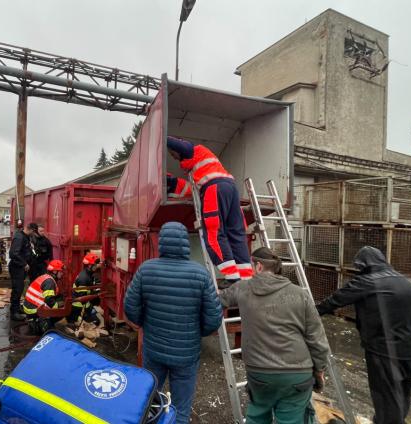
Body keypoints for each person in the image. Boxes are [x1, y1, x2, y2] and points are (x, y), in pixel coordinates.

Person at [124, 222, 223, 424]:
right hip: (186, 354)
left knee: (149, 398)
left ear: (162, 243)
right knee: (181, 408)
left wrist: (146, 324)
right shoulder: (200, 274)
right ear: (185, 243)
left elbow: (130, 307)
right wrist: (196, 333)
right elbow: (214, 318)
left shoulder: (147, 269)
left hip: (154, 351)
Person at [218, 247, 330, 424]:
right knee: (292, 420)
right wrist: (319, 369)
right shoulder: (300, 294)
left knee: (257, 415)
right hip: (297, 373)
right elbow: (316, 338)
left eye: (252, 265)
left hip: (259, 372)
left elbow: (217, 300)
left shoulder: (242, 288)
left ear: (259, 266)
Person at [317, 246, 411, 424]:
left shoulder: (368, 281)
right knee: (402, 396)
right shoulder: (405, 281)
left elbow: (334, 301)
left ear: (364, 265)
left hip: (385, 352)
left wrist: (306, 313)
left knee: (386, 399)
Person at [166, 136, 252, 283]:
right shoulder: (200, 164)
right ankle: (246, 278)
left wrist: (160, 135)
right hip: (230, 188)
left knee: (214, 233)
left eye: (173, 154)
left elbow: (180, 145)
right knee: (236, 233)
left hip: (214, 188)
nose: (174, 157)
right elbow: (185, 187)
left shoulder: (192, 150)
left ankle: (231, 277)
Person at [23, 259, 65, 335]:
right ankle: (42, 324)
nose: (62, 273)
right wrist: (60, 306)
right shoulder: (50, 282)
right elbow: (49, 301)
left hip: (29, 306)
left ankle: (37, 320)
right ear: (55, 272)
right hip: (33, 310)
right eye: (61, 271)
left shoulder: (46, 277)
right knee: (58, 313)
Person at [69, 252, 102, 326]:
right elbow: (83, 297)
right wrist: (96, 294)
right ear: (90, 265)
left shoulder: (89, 274)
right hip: (79, 309)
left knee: (97, 318)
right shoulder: (84, 278)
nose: (96, 266)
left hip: (85, 306)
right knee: (96, 322)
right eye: (95, 265)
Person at [8, 222, 33, 321]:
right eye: (33, 231)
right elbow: (13, 254)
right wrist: (24, 264)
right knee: (17, 290)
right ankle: (14, 313)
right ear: (29, 229)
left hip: (21, 268)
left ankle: (17, 309)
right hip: (16, 268)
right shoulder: (19, 237)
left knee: (20, 289)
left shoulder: (25, 237)